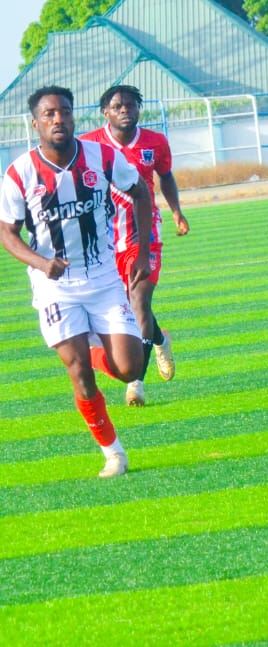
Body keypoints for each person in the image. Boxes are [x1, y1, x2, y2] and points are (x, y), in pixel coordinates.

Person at [0, 86, 155, 478]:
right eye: (49, 114)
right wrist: (40, 262)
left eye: (65, 112)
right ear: (35, 123)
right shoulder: (20, 173)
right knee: (79, 373)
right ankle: (113, 454)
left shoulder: (102, 156)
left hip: (102, 277)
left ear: (74, 118)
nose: (58, 120)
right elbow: (7, 232)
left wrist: (138, 251)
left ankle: (91, 342)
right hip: (55, 287)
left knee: (129, 368)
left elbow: (140, 192)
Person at [83, 85, 188, 406]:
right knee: (126, 307)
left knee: (138, 302)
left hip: (145, 234)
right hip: (103, 241)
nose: (125, 110)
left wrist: (176, 212)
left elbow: (165, 177)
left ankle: (136, 385)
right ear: (106, 112)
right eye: (117, 106)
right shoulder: (89, 144)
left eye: (130, 105)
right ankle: (159, 338)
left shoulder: (155, 142)